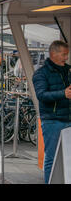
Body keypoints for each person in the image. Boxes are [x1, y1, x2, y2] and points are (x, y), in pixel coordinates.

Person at [33, 40, 71, 184]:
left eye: (67, 54)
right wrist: (63, 93)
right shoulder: (41, 74)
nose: (66, 57)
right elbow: (41, 95)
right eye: (63, 54)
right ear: (53, 53)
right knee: (52, 156)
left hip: (68, 118)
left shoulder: (68, 70)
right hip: (52, 120)